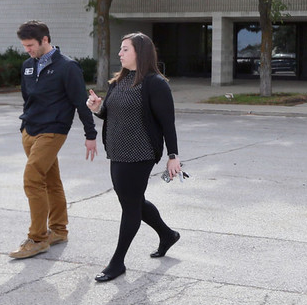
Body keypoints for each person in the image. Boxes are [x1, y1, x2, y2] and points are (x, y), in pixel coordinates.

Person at [85, 32, 182, 283]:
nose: (120, 53)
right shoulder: (119, 82)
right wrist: (97, 108)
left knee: (129, 206)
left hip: (140, 153)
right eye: (120, 48)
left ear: (140, 52)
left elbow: (167, 123)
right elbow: (112, 113)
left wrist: (173, 156)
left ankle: (117, 263)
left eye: (125, 49)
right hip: (117, 151)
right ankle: (167, 234)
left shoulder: (155, 83)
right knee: (135, 202)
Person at [11, 21, 99, 259]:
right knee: (50, 180)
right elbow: (27, 98)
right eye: (24, 46)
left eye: (30, 45)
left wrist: (90, 135)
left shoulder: (67, 67)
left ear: (45, 40)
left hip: (53, 130)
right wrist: (24, 126)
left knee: (31, 180)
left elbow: (80, 101)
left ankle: (38, 238)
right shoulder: (28, 66)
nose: (27, 50)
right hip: (30, 130)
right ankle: (58, 230)